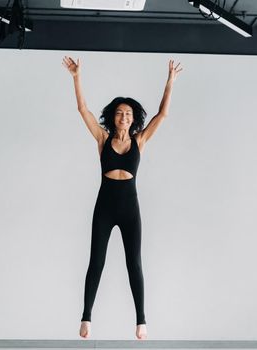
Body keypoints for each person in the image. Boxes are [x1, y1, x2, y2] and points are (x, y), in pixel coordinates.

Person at [62, 56, 183, 340]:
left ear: (133, 118)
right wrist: (76, 77)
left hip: (129, 208)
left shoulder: (140, 141)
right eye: (119, 113)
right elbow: (83, 109)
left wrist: (170, 83)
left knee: (134, 263)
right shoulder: (102, 139)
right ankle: (86, 317)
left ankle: (141, 321)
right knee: (96, 261)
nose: (124, 117)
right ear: (113, 116)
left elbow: (162, 115)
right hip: (105, 206)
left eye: (128, 114)